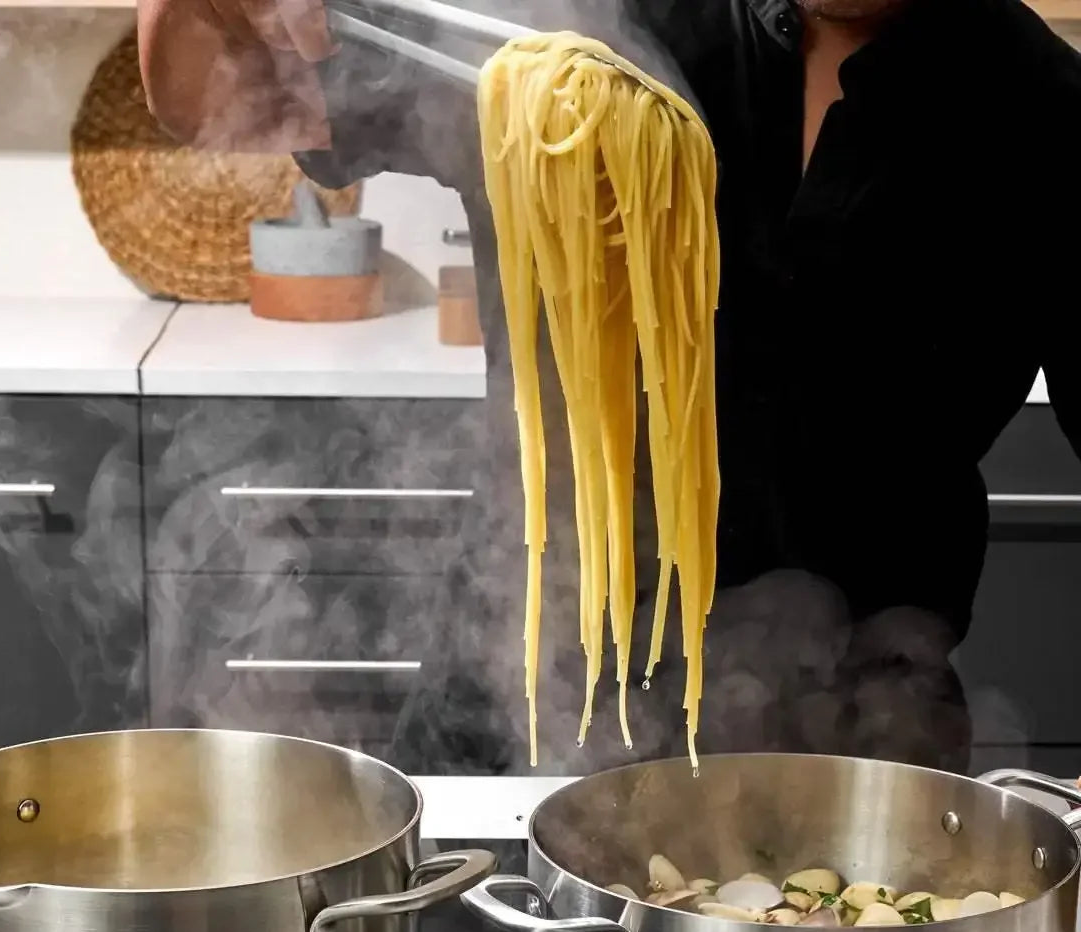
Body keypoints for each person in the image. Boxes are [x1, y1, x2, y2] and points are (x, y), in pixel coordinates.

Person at [137, 0, 1081, 777]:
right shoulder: (574, 25)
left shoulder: (1041, 106)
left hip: (865, 732)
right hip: (532, 692)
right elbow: (218, 95)